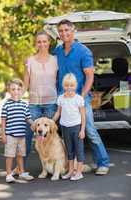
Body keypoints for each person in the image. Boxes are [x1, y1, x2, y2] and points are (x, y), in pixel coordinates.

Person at [54, 19, 110, 175]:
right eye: (61, 31)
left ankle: (103, 162)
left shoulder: (84, 51)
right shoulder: (58, 51)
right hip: (63, 99)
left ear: (73, 31)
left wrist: (81, 97)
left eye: (67, 30)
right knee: (66, 132)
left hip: (80, 98)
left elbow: (90, 77)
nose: (64, 33)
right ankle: (70, 166)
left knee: (90, 130)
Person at [23, 31, 58, 170]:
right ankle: (21, 167)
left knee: (50, 136)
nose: (42, 44)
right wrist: (17, 99)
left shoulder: (56, 60)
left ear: (49, 43)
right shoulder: (29, 61)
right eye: (39, 42)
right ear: (35, 43)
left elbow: (59, 81)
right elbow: (26, 83)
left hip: (51, 102)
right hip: (34, 104)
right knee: (27, 134)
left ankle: (52, 166)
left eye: (45, 41)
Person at [53, 73, 86, 180]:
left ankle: (79, 172)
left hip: (76, 127)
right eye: (67, 85)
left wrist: (82, 130)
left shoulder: (79, 99)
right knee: (69, 150)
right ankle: (71, 171)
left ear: (75, 86)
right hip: (65, 127)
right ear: (63, 86)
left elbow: (83, 116)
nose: (69, 88)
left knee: (79, 150)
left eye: (71, 85)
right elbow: (58, 112)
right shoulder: (61, 98)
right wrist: (51, 121)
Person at [1, 79, 34, 183]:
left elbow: (28, 118)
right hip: (10, 135)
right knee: (10, 155)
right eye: (13, 89)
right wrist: (3, 134)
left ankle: (22, 172)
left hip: (21, 136)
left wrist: (34, 124)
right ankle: (9, 174)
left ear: (22, 90)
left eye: (18, 89)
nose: (16, 91)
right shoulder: (6, 105)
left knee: (20, 155)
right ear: (9, 90)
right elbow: (3, 120)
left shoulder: (24, 104)